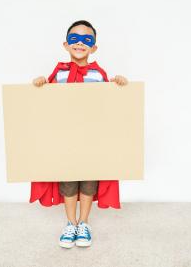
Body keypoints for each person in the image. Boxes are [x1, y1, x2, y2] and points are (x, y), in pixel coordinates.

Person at [31, 20, 128, 248]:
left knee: (88, 183)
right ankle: (70, 223)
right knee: (68, 184)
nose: (80, 44)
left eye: (87, 40)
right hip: (65, 141)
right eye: (75, 39)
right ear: (66, 44)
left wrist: (118, 84)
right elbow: (47, 102)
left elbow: (108, 104)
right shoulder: (59, 74)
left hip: (91, 141)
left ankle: (84, 223)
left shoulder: (98, 74)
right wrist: (41, 83)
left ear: (94, 48)